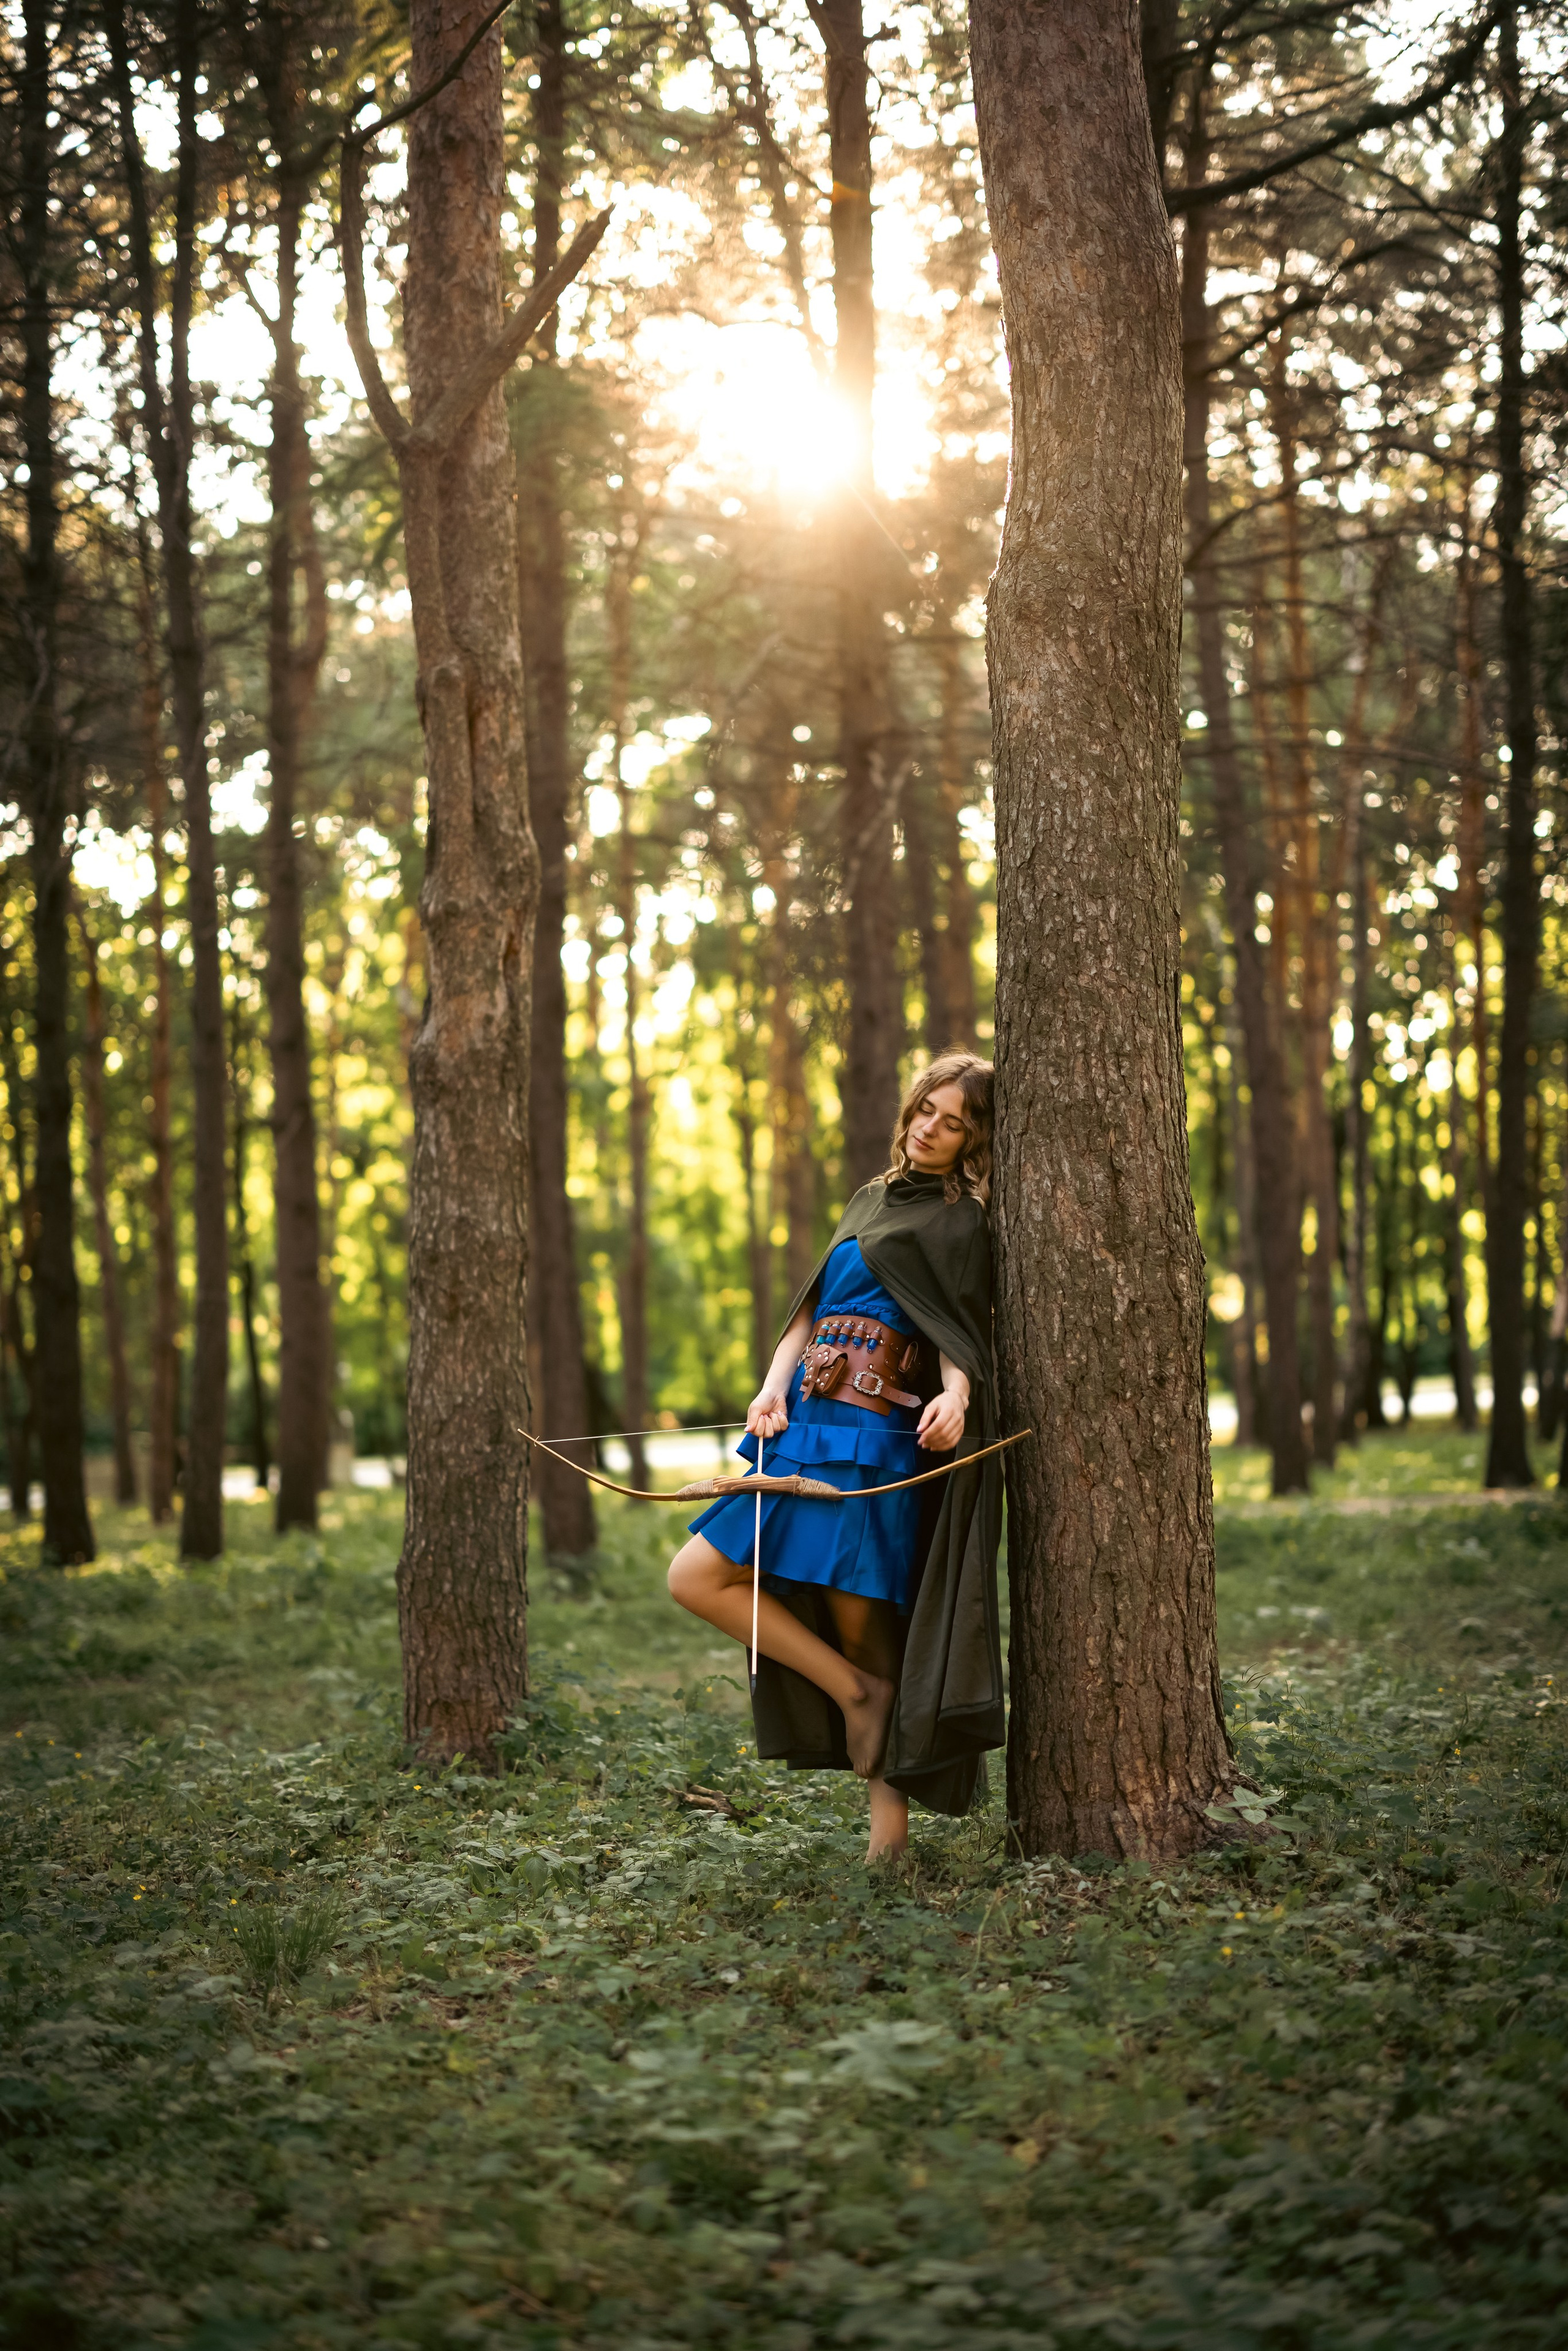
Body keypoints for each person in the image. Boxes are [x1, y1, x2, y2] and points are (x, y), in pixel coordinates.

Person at [667, 1051, 1005, 1859]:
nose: (930, 1127)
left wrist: (957, 1396)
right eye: (926, 1108)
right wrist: (770, 1389)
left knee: (870, 1633)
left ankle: (886, 1853)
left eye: (953, 1121)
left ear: (974, 1138)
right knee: (696, 1576)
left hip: (874, 1446)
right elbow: (809, 1310)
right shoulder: (869, 1197)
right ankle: (855, 1694)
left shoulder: (963, 1220)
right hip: (800, 1427)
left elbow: (955, 1328)